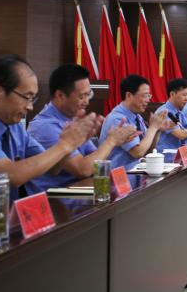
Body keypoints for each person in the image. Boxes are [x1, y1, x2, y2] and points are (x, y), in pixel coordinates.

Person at [0, 55, 99, 216]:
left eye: (33, 98)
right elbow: (11, 175)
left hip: (4, 217)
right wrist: (64, 145)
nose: (30, 107)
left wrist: (70, 144)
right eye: (27, 97)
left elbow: (53, 168)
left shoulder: (14, 126)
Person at [25, 64, 140, 195]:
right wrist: (111, 141)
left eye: (88, 95)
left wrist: (116, 140)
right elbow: (83, 170)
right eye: (82, 96)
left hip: (78, 193)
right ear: (60, 95)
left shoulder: (72, 119)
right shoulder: (45, 127)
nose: (87, 102)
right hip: (54, 199)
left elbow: (96, 161)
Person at [99, 74, 171, 171]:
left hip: (134, 172)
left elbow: (147, 150)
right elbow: (138, 152)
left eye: (149, 95)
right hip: (117, 175)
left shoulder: (137, 117)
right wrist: (153, 127)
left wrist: (157, 130)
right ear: (129, 95)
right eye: (145, 95)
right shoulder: (118, 119)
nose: (148, 100)